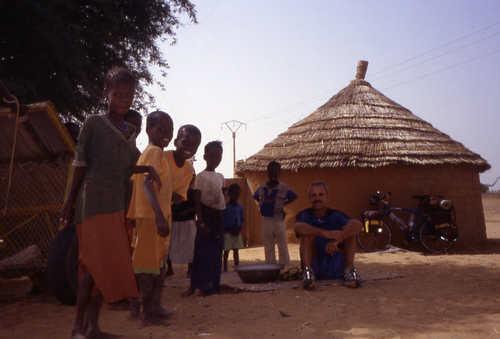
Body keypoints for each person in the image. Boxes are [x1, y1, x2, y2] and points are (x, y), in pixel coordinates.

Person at [58, 67, 161, 339]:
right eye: (117, 94)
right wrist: (68, 202)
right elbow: (80, 163)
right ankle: (78, 327)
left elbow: (127, 168)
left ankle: (92, 327)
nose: (123, 100)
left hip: (116, 204)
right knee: (94, 264)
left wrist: (146, 170)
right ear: (105, 93)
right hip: (92, 202)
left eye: (128, 95)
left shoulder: (129, 130)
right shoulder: (93, 123)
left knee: (100, 268)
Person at [127, 110, 174, 326]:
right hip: (151, 218)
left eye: (170, 130)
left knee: (157, 264)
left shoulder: (150, 153)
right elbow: (146, 184)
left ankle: (153, 307)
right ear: (148, 130)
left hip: (153, 217)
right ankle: (147, 313)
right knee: (147, 266)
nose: (167, 133)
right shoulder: (154, 152)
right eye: (161, 129)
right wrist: (158, 216)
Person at [293, 181, 363, 289]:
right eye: (314, 195)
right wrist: (324, 233)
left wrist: (339, 239)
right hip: (315, 264)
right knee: (307, 234)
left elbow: (357, 225)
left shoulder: (335, 215)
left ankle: (348, 271)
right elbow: (297, 227)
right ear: (309, 198)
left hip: (335, 263)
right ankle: (308, 273)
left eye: (321, 194)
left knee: (350, 232)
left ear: (328, 197)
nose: (317, 198)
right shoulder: (304, 215)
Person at [181, 140, 226, 297]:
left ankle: (211, 287)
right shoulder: (200, 177)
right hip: (205, 217)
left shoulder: (220, 177)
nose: (215, 159)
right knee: (201, 254)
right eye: (211, 156)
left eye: (218, 157)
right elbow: (197, 201)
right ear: (205, 157)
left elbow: (223, 195)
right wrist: (200, 221)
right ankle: (194, 287)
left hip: (218, 218)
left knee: (215, 253)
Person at [165, 124, 202, 276]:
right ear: (175, 142)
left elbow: (178, 198)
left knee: (161, 255)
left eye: (194, 145)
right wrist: (168, 193)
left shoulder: (188, 169)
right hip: (147, 211)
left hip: (165, 215)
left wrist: (164, 191)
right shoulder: (162, 157)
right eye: (185, 142)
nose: (189, 147)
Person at [253, 161, 297, 265]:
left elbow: (293, 196)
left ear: (279, 174)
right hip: (266, 220)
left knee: (282, 244)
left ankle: (284, 266)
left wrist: (282, 204)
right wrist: (262, 203)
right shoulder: (262, 187)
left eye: (275, 173)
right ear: (267, 173)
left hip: (279, 219)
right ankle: (270, 265)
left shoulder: (283, 187)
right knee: (268, 245)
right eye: (271, 173)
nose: (273, 175)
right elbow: (255, 196)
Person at [168, 175, 196, 277]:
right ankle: (169, 270)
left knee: (190, 246)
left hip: (188, 223)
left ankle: (191, 270)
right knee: (170, 246)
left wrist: (187, 211)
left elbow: (198, 207)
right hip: (174, 222)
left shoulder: (193, 193)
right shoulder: (174, 192)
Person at [223, 183, 245, 272]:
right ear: (229, 194)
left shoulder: (240, 207)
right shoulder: (225, 207)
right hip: (228, 232)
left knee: (236, 250)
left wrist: (239, 229)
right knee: (226, 250)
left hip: (237, 232)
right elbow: (223, 219)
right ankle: (225, 267)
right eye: (234, 194)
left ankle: (237, 266)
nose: (235, 196)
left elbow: (242, 218)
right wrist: (228, 229)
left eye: (237, 195)